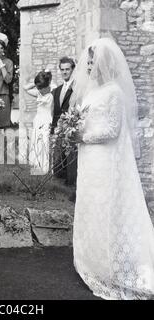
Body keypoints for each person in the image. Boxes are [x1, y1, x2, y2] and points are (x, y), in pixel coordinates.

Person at [72, 37, 154, 300]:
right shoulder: (91, 92)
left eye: (93, 60)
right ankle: (91, 260)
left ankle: (111, 266)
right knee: (91, 206)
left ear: (104, 63)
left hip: (105, 160)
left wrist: (82, 136)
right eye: (88, 60)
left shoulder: (114, 92)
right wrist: (72, 131)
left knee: (106, 208)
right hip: (89, 160)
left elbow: (111, 130)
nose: (88, 64)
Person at [51, 57, 77, 186]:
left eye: (67, 69)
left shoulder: (77, 88)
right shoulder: (57, 90)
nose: (65, 72)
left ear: (73, 70)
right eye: (62, 70)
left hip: (70, 129)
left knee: (69, 158)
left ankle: (70, 184)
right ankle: (58, 185)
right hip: (58, 129)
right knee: (58, 160)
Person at [24, 70, 53, 175]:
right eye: (38, 88)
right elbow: (25, 88)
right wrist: (36, 82)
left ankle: (45, 168)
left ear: (47, 85)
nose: (39, 90)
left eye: (41, 88)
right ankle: (37, 167)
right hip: (38, 120)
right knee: (36, 142)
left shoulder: (51, 92)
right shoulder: (38, 92)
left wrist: (47, 78)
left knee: (44, 142)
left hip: (46, 121)